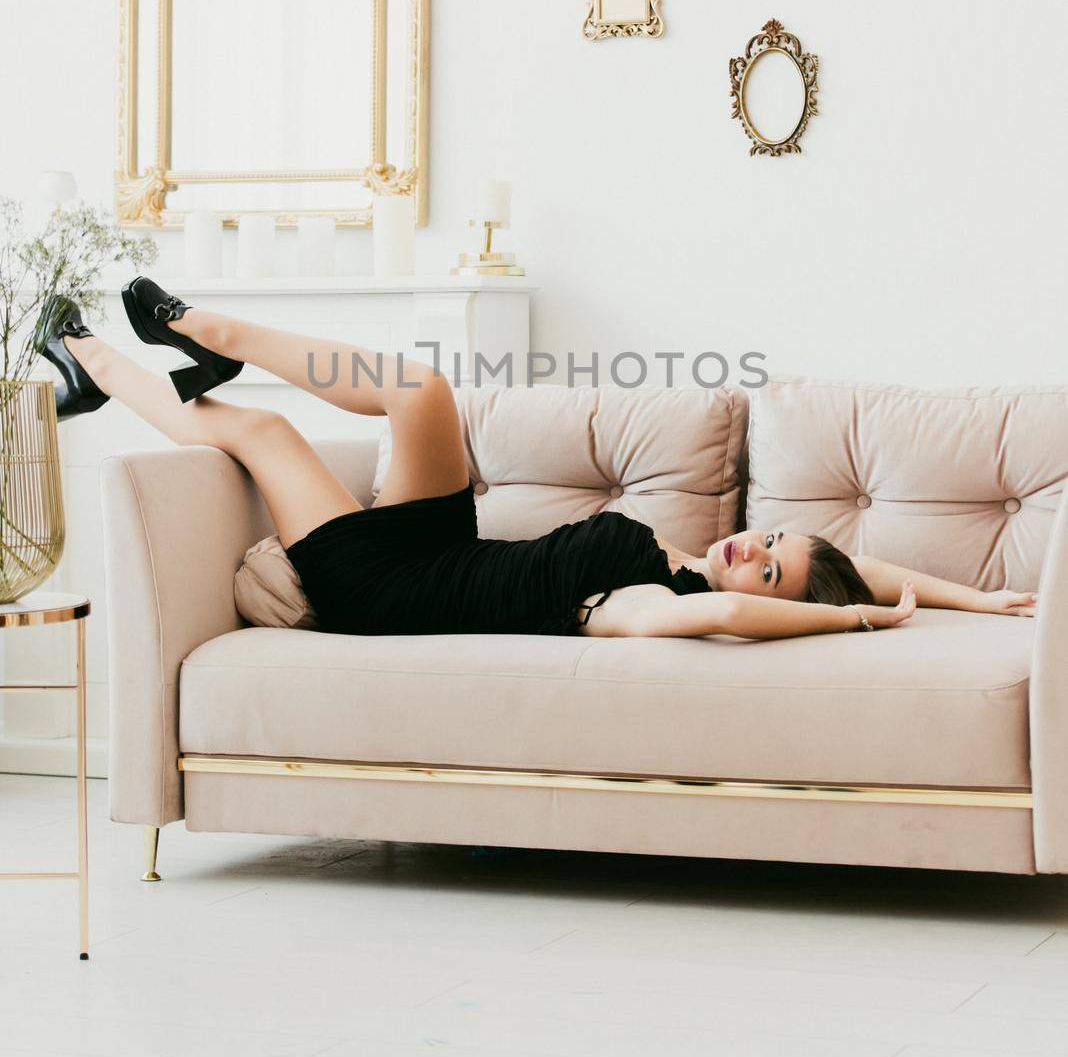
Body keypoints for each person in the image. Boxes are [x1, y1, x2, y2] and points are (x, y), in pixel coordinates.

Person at [38, 279, 1037, 642]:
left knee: (262, 435)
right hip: (442, 542)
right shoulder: (680, 553)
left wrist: (849, 618)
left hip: (384, 589)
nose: (749, 549)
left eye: (764, 563)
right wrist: (975, 597)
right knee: (423, 390)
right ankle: (208, 329)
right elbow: (847, 562)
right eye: (767, 537)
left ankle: (83, 358)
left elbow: (744, 610)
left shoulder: (649, 608)